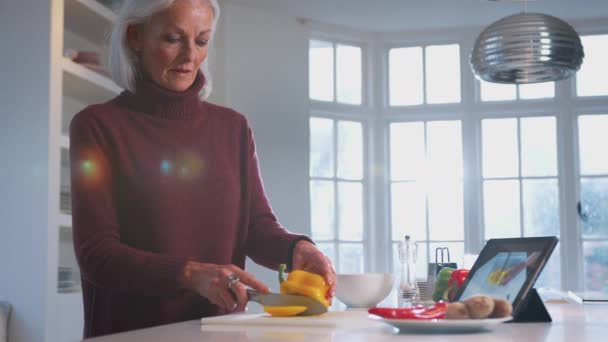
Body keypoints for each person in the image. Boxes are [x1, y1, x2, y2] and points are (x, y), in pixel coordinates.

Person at [69, 0, 336, 338]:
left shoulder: (233, 128)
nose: (189, 56)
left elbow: (255, 227)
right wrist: (191, 274)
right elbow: (98, 255)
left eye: (201, 40)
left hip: (222, 331)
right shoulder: (97, 126)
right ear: (135, 37)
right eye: (172, 38)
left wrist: (298, 249)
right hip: (133, 333)